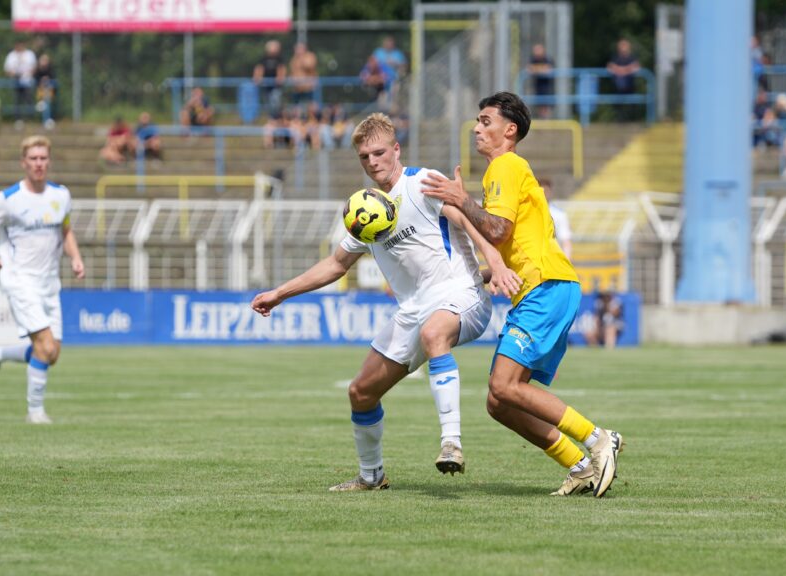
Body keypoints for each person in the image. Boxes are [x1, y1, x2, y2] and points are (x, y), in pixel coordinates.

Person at [250, 112, 520, 491]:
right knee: (360, 393)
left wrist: (495, 263)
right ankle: (371, 476)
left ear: (396, 150)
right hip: (413, 311)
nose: (373, 162)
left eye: (379, 153)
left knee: (434, 333)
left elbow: (467, 219)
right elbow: (335, 264)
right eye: (364, 157)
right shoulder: (367, 210)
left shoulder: (422, 182)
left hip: (462, 294)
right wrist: (280, 294)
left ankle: (452, 443)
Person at [421, 91, 624, 497]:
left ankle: (599, 438)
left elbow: (498, 231)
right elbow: (511, 239)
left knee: (504, 386)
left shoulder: (506, 165)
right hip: (545, 288)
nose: (477, 128)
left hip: (546, 287)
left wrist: (460, 200)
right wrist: (484, 272)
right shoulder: (505, 171)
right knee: (500, 404)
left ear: (508, 130)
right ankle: (580, 465)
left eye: (485, 121)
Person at [0, 136, 85, 424]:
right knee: (45, 346)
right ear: (23, 162)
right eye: (33, 159)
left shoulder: (61, 196)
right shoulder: (9, 199)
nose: (39, 164)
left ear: (49, 161)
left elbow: (66, 231)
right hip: (19, 280)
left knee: (52, 353)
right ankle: (35, 413)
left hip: (49, 283)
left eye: (43, 158)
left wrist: (75, 257)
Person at [606, 39, 640, 121]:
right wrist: (626, 70)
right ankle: (620, 118)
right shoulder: (616, 58)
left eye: (625, 46)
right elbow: (610, 67)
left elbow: (636, 67)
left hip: (630, 85)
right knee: (618, 103)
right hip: (618, 87)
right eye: (621, 46)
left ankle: (631, 118)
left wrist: (621, 70)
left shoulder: (632, 57)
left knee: (632, 103)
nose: (623, 48)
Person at [4, 41, 37, 123]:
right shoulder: (11, 55)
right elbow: (7, 69)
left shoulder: (30, 54)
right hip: (16, 81)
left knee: (28, 99)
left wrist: (28, 74)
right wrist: (13, 74)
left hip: (27, 81)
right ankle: (18, 118)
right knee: (17, 100)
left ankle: (30, 118)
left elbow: (34, 67)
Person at [254, 40, 287, 118]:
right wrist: (257, 78)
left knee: (275, 102)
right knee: (267, 103)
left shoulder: (279, 59)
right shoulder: (264, 59)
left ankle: (277, 118)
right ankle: (271, 118)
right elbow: (259, 69)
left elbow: (282, 69)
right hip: (266, 85)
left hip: (276, 86)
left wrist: (281, 78)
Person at [541, 177, 572, 258]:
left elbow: (565, 240)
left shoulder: (559, 214)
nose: (544, 194)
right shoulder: (529, 212)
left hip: (553, 259)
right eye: (542, 191)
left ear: (550, 192)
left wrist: (567, 262)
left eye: (546, 191)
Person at [527, 43, 554, 119]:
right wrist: (540, 69)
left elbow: (548, 69)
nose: (536, 52)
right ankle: (542, 119)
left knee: (546, 104)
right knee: (539, 104)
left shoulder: (547, 58)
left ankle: (546, 120)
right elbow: (529, 68)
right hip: (538, 86)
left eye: (538, 50)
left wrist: (536, 69)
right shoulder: (534, 59)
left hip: (547, 86)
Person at [288, 42, 318, 106]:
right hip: (297, 87)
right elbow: (292, 71)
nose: (297, 51)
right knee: (296, 106)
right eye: (296, 49)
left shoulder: (310, 56)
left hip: (309, 86)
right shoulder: (294, 59)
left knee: (312, 105)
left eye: (299, 49)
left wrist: (301, 59)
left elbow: (309, 66)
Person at [34, 54, 55, 129]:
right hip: (41, 90)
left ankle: (47, 120)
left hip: (48, 90)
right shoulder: (38, 70)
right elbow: (36, 79)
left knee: (47, 104)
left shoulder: (50, 69)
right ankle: (45, 120)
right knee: (44, 104)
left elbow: (52, 78)